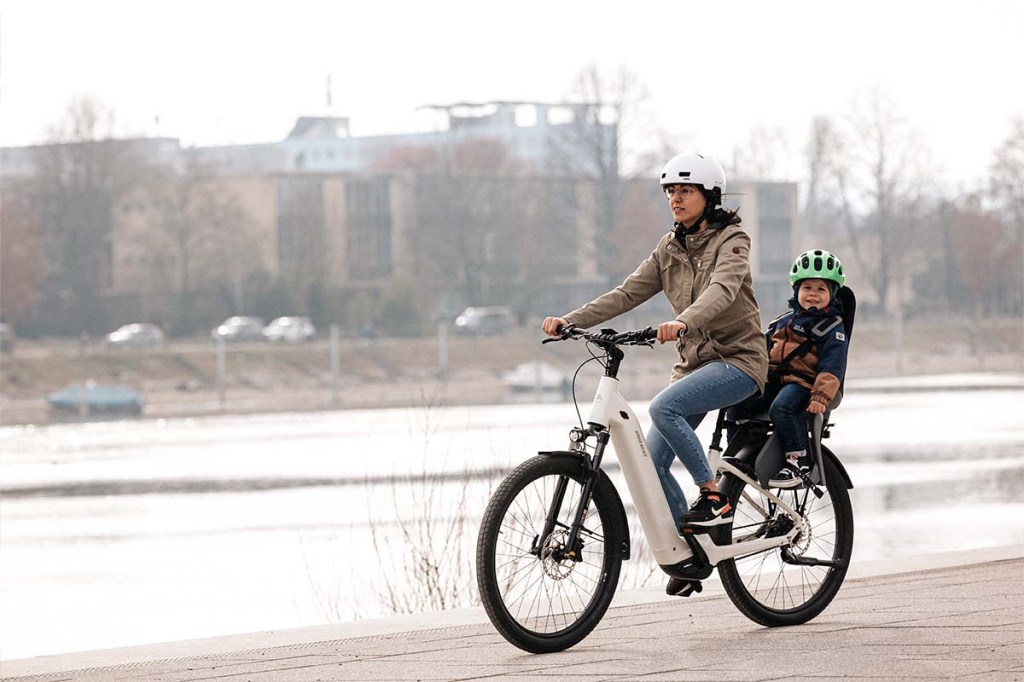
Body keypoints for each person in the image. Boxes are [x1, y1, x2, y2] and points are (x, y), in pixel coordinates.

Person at [542, 152, 769, 547]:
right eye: (670, 192)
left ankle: (713, 497)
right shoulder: (669, 248)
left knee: (664, 407)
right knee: (652, 465)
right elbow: (627, 293)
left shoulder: (733, 240)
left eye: (685, 191)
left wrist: (684, 321)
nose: (675, 199)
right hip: (694, 366)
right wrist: (571, 320)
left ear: (709, 195)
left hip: (739, 361)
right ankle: (694, 548)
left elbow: (722, 289)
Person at [728, 249, 849, 487]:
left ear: (833, 294)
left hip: (804, 385)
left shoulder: (832, 328)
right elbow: (759, 348)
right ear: (797, 291)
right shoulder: (783, 322)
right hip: (775, 380)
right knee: (737, 403)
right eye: (807, 288)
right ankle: (738, 455)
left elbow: (832, 366)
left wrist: (821, 397)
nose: (813, 295)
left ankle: (798, 462)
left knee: (781, 408)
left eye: (821, 289)